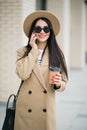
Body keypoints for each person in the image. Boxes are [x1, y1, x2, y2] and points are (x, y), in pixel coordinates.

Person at [14, 10, 68, 130]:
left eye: (46, 29)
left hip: (46, 109)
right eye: (38, 29)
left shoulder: (57, 54)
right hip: (25, 109)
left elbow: (64, 84)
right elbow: (23, 74)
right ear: (32, 32)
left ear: (50, 31)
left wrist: (58, 84)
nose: (42, 32)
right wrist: (34, 50)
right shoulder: (22, 52)